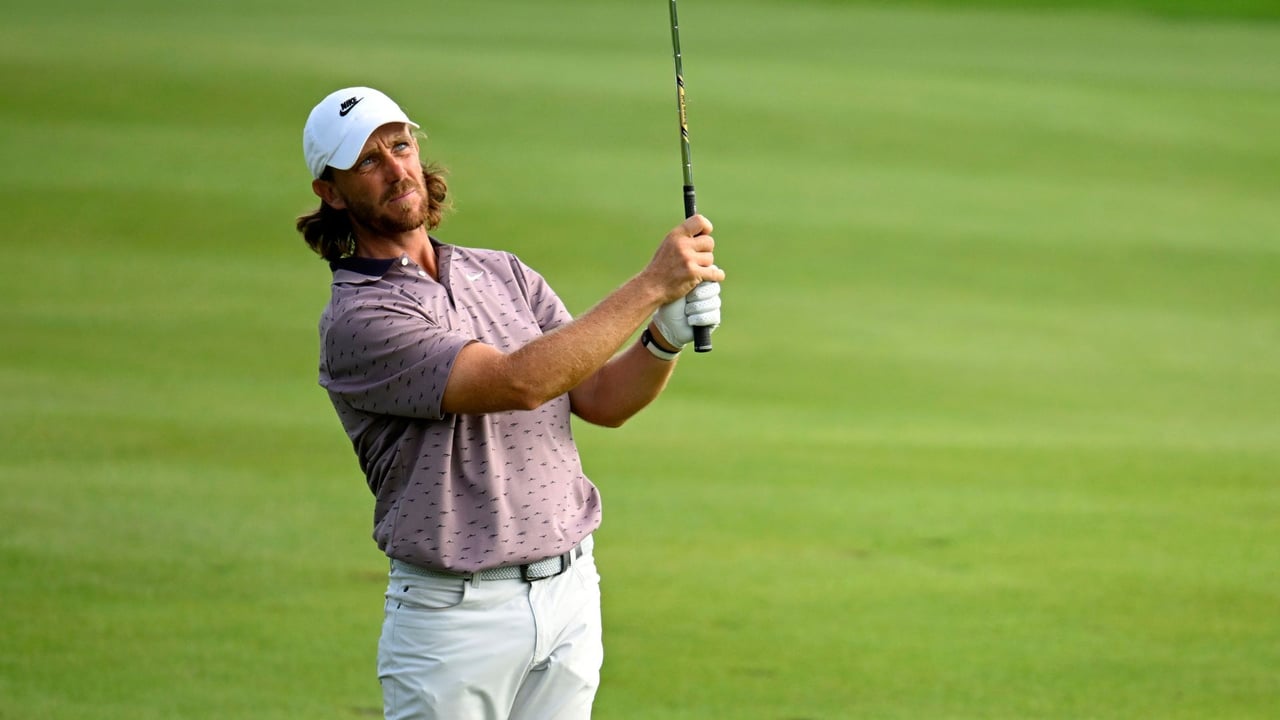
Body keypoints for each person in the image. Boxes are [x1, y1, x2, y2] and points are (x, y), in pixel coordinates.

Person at [295, 86, 724, 720]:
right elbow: (519, 382)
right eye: (366, 161)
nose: (395, 169)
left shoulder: (502, 272)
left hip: (568, 594)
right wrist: (650, 285)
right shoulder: (361, 319)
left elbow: (601, 396)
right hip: (455, 621)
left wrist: (662, 340)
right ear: (331, 193)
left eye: (400, 146)